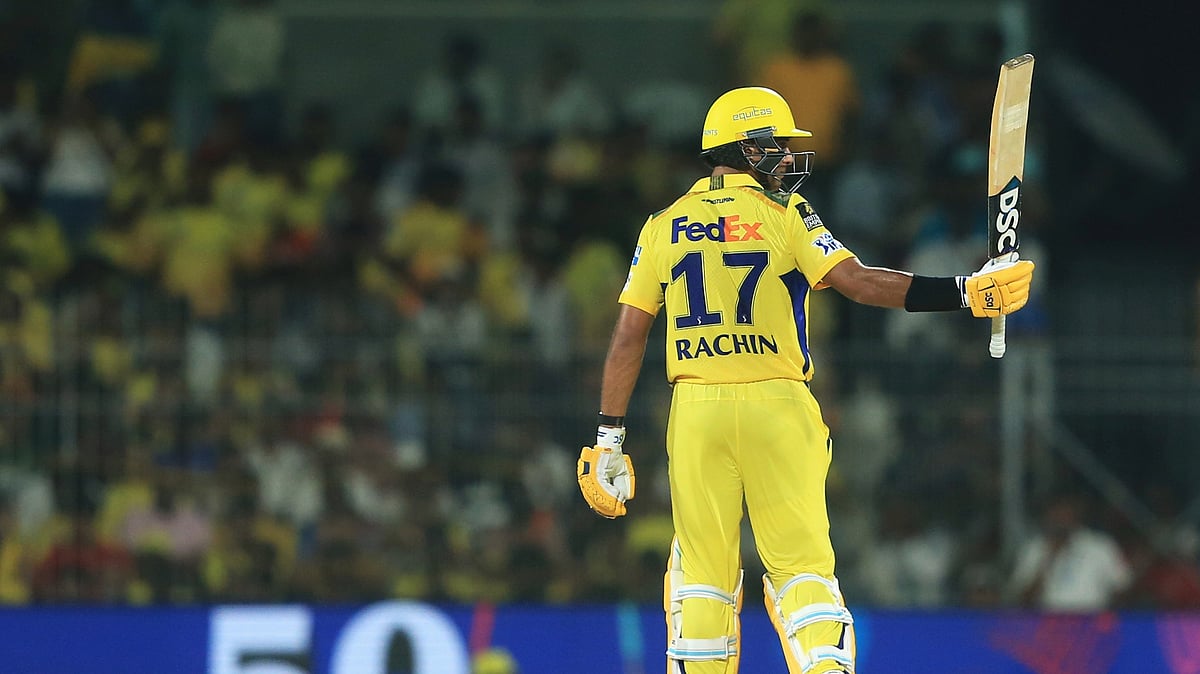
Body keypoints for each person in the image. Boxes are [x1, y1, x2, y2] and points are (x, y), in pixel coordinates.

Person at [576, 86, 1035, 674]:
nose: (791, 160)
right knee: (802, 571)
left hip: (694, 411)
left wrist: (609, 436)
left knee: (701, 577)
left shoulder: (663, 226)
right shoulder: (785, 215)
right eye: (782, 146)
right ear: (748, 148)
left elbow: (628, 337)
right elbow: (860, 282)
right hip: (777, 405)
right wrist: (966, 293)